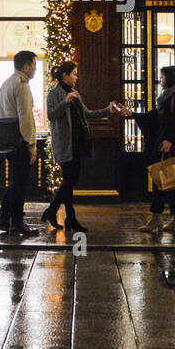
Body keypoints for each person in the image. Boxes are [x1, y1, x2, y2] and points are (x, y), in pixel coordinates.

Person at [44, 61, 122, 234]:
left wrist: (108, 111)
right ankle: (68, 217)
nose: (76, 77)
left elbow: (87, 114)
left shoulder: (75, 93)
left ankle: (53, 212)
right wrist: (65, 102)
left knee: (72, 180)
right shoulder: (54, 93)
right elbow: (51, 115)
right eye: (73, 74)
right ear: (64, 75)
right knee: (69, 180)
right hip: (65, 143)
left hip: (78, 143)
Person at [134, 65, 175, 235]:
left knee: (162, 182)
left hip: (167, 146)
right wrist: (132, 114)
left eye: (162, 77)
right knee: (169, 182)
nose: (160, 80)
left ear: (170, 78)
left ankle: (156, 219)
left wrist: (169, 139)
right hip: (161, 144)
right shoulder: (166, 98)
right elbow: (154, 118)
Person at [0, 50, 39, 236]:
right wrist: (31, 145)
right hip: (19, 141)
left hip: (7, 140)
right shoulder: (22, 86)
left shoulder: (7, 83)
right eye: (34, 65)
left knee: (15, 180)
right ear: (26, 66)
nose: (35, 69)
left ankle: (4, 218)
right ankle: (17, 223)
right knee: (20, 182)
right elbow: (26, 118)